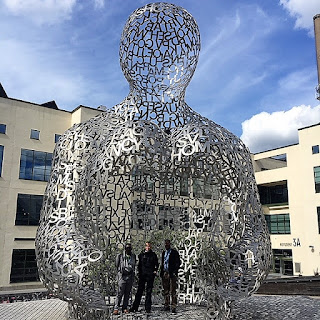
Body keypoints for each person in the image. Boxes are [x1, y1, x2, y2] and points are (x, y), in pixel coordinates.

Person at [130, 242, 159, 313]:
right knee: (139, 291)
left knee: (148, 292)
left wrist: (155, 271)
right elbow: (139, 265)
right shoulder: (141, 255)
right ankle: (135, 307)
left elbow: (156, 264)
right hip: (142, 275)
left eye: (149, 246)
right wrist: (139, 273)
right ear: (145, 247)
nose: (148, 247)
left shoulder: (153, 255)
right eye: (147, 246)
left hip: (150, 275)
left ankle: (148, 308)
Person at [113, 243, 136, 315]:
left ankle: (124, 308)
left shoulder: (133, 256)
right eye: (127, 248)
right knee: (120, 293)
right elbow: (117, 265)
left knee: (127, 293)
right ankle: (116, 308)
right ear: (125, 249)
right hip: (122, 276)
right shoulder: (120, 256)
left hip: (130, 275)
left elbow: (134, 265)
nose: (128, 249)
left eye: (129, 248)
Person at [160, 239, 181, 313]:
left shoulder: (174, 252)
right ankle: (166, 305)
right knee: (166, 290)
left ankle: (173, 306)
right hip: (165, 273)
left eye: (167, 244)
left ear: (170, 244)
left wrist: (175, 271)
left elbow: (178, 262)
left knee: (172, 290)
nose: (166, 245)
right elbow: (163, 262)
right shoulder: (163, 252)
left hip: (172, 273)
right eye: (165, 244)